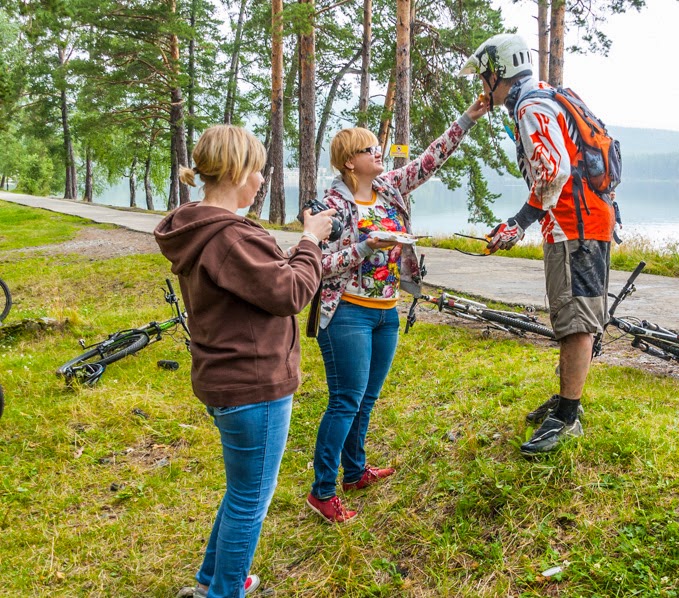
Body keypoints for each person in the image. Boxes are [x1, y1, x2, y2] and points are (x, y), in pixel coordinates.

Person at [154, 125, 336, 598]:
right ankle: (224, 592)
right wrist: (311, 240)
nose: (260, 180)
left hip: (224, 379)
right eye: (257, 170)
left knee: (240, 492)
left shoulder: (200, 229)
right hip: (253, 385)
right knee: (251, 500)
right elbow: (291, 292)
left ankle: (211, 582)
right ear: (237, 171)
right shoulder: (231, 236)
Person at [305, 98, 490, 523]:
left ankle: (354, 472)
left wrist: (467, 118)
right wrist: (367, 246)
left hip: (387, 311)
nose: (379, 154)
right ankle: (321, 492)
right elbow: (318, 264)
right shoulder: (330, 208)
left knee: (366, 398)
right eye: (370, 150)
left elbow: (430, 161)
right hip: (347, 313)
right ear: (350, 162)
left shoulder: (389, 188)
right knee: (345, 401)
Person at [458, 34, 617, 456]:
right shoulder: (546, 94)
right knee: (571, 318)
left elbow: (553, 169)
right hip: (586, 221)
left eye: (486, 76)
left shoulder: (529, 107)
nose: (484, 85)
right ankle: (567, 400)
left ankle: (567, 418)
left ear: (498, 73)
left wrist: (518, 222)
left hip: (574, 225)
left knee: (575, 321)